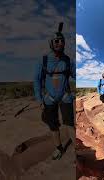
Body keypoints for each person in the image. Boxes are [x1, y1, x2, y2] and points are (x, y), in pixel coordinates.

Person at [33, 22, 75, 160]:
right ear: (51, 43)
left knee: (69, 123)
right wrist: (39, 100)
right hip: (49, 98)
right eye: (56, 41)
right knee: (53, 125)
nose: (59, 43)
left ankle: (76, 151)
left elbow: (75, 75)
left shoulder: (68, 60)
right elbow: (37, 80)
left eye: (62, 41)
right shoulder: (43, 60)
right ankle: (59, 148)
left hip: (65, 97)